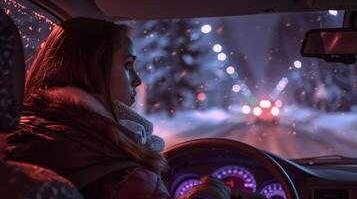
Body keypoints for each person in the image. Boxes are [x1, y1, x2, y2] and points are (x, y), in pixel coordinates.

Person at [3, 18, 231, 198]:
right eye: (128, 65)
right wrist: (209, 194)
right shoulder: (123, 174)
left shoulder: (19, 140)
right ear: (91, 69)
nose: (137, 80)